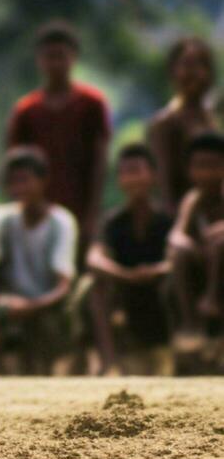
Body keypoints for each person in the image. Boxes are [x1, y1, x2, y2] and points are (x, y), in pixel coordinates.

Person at [5, 21, 111, 259]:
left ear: (73, 58)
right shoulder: (26, 110)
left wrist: (92, 216)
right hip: (38, 213)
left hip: (81, 209)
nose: (55, 63)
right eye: (49, 56)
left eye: (61, 56)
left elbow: (100, 162)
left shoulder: (92, 103)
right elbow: (14, 167)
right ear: (38, 60)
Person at [0, 147, 78, 375]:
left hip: (48, 305)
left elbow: (64, 285)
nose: (18, 188)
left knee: (49, 324)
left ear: (43, 181)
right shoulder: (2, 218)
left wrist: (31, 307)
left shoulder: (61, 221)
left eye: (25, 180)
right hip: (11, 305)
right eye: (13, 182)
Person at [86, 144, 173, 375]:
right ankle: (109, 362)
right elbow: (94, 258)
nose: (131, 178)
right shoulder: (112, 222)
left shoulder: (167, 219)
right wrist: (125, 275)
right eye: (125, 172)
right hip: (126, 291)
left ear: (153, 176)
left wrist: (157, 271)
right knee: (95, 287)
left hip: (160, 292)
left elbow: (177, 258)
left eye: (137, 170)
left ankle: (184, 353)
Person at [167, 131, 224, 348]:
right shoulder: (193, 200)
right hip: (203, 264)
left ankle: (212, 299)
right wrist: (184, 243)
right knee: (179, 253)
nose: (207, 173)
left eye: (213, 165)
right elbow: (176, 234)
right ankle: (191, 325)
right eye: (200, 166)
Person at [148, 37, 217, 211]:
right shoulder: (165, 123)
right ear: (173, 71)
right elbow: (164, 187)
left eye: (200, 65)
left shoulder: (212, 118)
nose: (194, 73)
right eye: (187, 65)